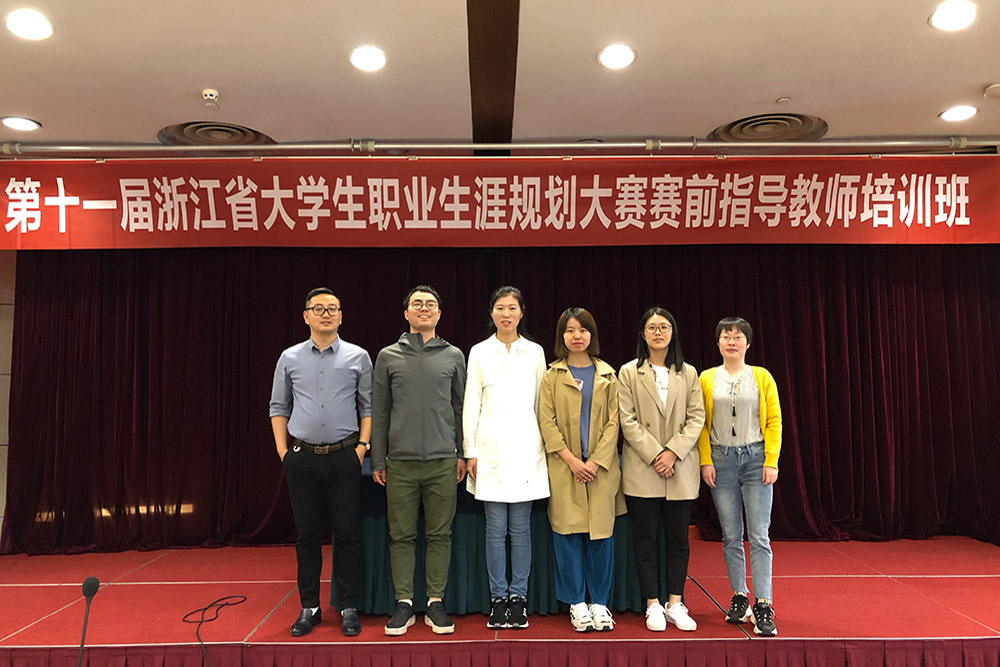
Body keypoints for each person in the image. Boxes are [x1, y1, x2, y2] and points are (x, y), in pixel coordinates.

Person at [269, 287, 372, 637]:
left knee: (347, 534)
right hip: (301, 458)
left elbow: (368, 406)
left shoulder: (358, 356)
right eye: (318, 308)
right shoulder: (289, 357)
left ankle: (348, 606)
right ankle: (309, 607)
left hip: (345, 455)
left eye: (332, 309)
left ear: (341, 316)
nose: (326, 314)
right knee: (307, 535)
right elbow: (278, 407)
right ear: (306, 316)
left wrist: (362, 448)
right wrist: (283, 452)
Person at [371, 285, 467, 636]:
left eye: (430, 304)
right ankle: (404, 603)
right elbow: (380, 410)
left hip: (443, 461)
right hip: (400, 462)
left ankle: (435, 602)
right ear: (406, 313)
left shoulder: (454, 355)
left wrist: (461, 452)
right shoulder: (388, 356)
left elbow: (460, 408)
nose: (423, 308)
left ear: (439, 313)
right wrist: (378, 459)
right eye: (417, 303)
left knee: (440, 534)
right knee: (401, 536)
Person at [463, 286, 548, 629]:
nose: (506, 314)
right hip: (490, 451)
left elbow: (543, 404)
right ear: (491, 313)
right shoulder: (480, 352)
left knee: (521, 529)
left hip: (527, 450)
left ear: (521, 312)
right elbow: (471, 403)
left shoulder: (535, 352)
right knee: (495, 530)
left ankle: (519, 598)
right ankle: (498, 598)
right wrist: (470, 450)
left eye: (512, 308)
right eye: (500, 308)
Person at [618, 308, 705, 632]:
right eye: (652, 327)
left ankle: (675, 602)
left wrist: (672, 453)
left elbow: (696, 417)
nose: (658, 332)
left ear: (673, 332)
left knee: (678, 541)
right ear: (643, 334)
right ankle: (652, 603)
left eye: (664, 327)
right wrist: (657, 454)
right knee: (646, 540)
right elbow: (627, 419)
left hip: (679, 468)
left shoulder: (689, 373)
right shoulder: (629, 372)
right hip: (644, 468)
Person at [538, 307, 624, 632]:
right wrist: (573, 461)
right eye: (570, 330)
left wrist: (595, 461)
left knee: (601, 536)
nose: (577, 336)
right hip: (564, 467)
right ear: (561, 336)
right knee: (567, 535)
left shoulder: (608, 375)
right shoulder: (551, 376)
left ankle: (599, 603)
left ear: (592, 334)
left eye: (583, 330)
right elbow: (546, 422)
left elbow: (614, 423)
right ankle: (576, 603)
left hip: (601, 469)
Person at [698, 316, 782, 637]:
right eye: (726, 336)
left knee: (759, 535)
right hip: (721, 459)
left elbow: (774, 420)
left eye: (737, 336)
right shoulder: (706, 378)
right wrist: (706, 460)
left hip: (755, 457)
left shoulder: (761, 376)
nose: (731, 341)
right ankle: (738, 596)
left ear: (748, 343)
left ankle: (763, 603)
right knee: (731, 535)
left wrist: (771, 460)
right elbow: (701, 423)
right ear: (717, 343)